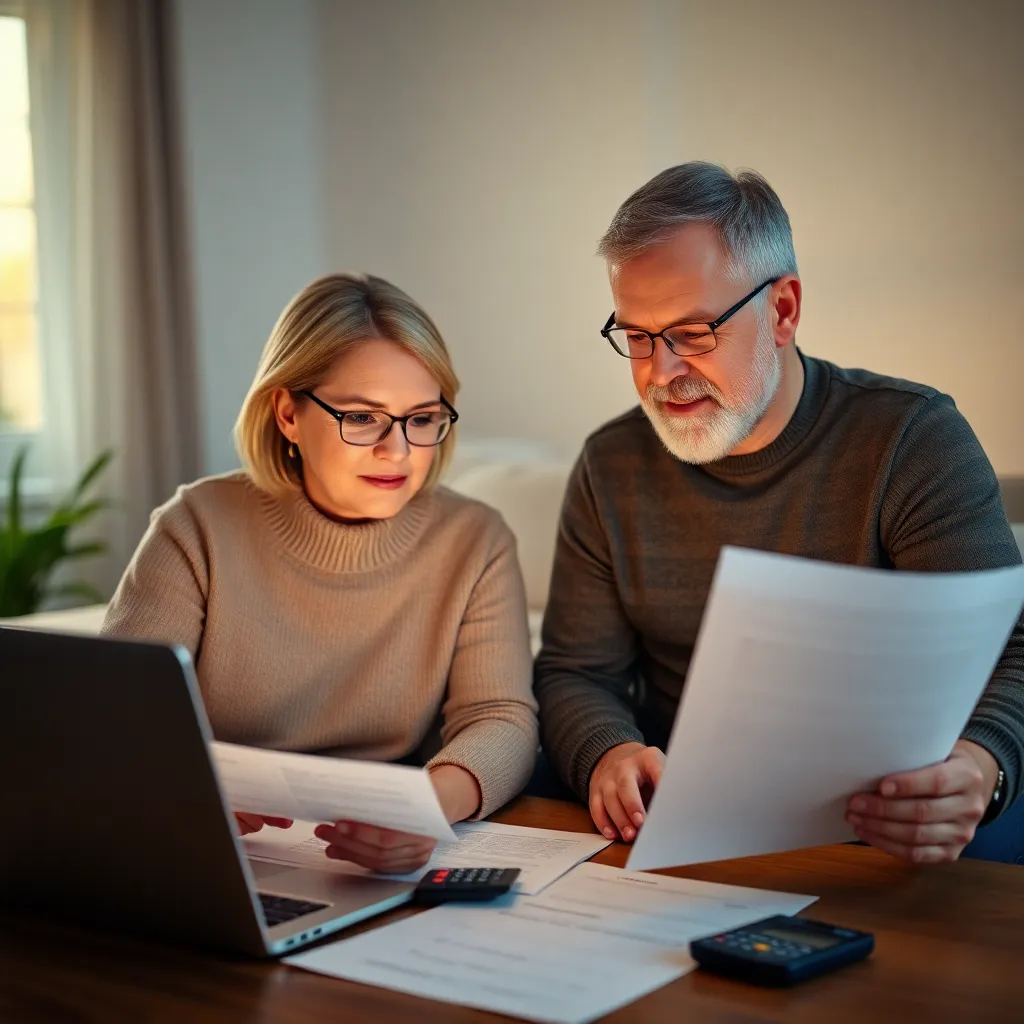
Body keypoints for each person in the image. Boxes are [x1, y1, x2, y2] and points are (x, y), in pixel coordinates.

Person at [535, 162, 1024, 865]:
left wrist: (982, 766)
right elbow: (577, 673)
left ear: (784, 311)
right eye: (637, 336)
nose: (660, 372)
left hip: (893, 819)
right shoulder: (611, 465)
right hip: (684, 827)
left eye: (693, 332)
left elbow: (1014, 644)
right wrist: (607, 754)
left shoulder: (909, 439)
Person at [103, 273, 538, 873]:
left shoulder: (475, 539)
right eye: (362, 418)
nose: (400, 451)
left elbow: (502, 720)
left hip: (370, 854)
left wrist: (426, 810)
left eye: (422, 418)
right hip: (208, 845)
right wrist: (182, 789)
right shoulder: (196, 526)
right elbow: (115, 717)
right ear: (286, 413)